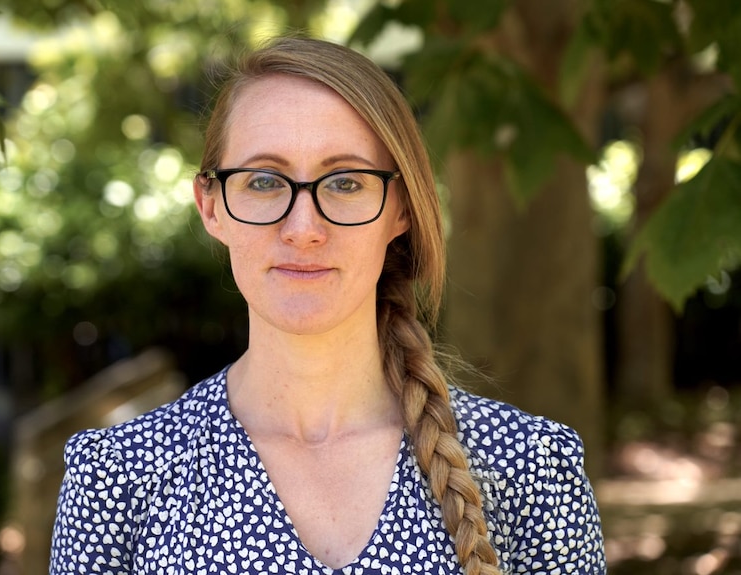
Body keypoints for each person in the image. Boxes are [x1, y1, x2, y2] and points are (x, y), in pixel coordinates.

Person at [49, 36, 606, 575]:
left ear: (401, 208)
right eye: (265, 180)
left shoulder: (531, 468)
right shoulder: (116, 477)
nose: (303, 228)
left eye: (344, 183)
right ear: (211, 205)